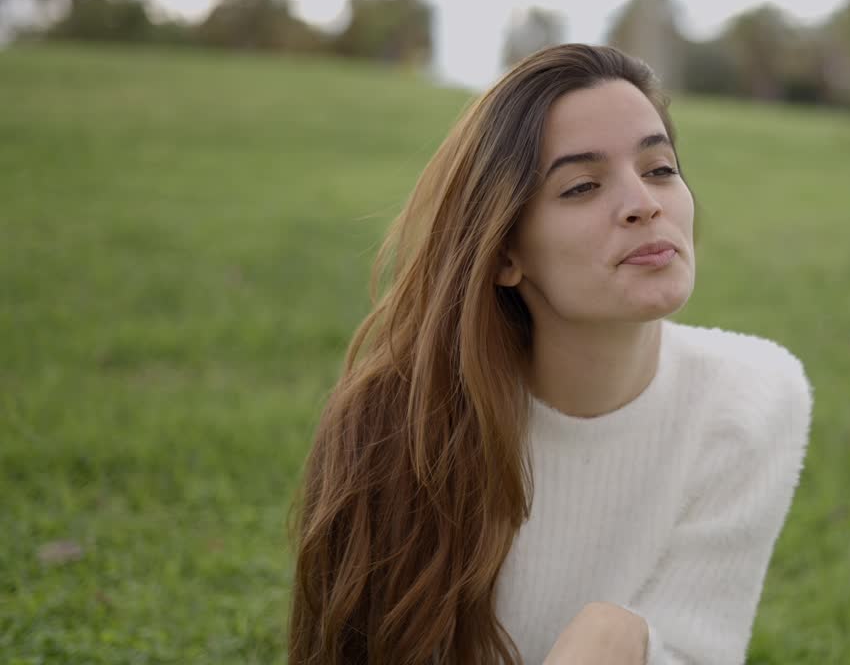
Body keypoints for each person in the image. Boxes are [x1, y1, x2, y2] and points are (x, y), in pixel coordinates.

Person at [287, 43, 813, 665]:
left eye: (660, 168)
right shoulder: (395, 423)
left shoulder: (753, 396)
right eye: (583, 186)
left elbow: (700, 650)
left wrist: (619, 644)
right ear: (507, 253)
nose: (643, 203)